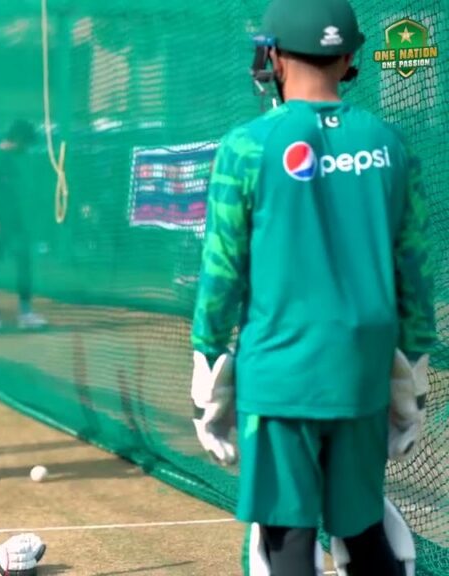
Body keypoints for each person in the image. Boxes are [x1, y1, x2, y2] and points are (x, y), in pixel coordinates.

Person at [189, 0, 435, 574]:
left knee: (286, 540)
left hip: (280, 375)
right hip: (362, 372)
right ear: (349, 58)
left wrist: (207, 366)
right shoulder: (389, 143)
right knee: (364, 533)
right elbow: (416, 273)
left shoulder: (247, 145)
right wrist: (414, 374)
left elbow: (220, 272)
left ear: (272, 56)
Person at [0, 120, 47, 331]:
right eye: (27, 143)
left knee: (24, 260)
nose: (28, 148)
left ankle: (26, 312)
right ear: (18, 139)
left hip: (15, 223)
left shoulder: (13, 161)